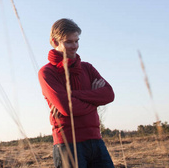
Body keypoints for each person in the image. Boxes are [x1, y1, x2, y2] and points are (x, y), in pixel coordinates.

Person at [38, 18, 115, 168]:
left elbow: (109, 94)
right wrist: (94, 99)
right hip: (68, 146)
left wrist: (73, 95)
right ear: (55, 42)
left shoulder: (87, 68)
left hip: (96, 141)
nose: (74, 46)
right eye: (68, 42)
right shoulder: (47, 72)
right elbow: (67, 108)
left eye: (76, 41)